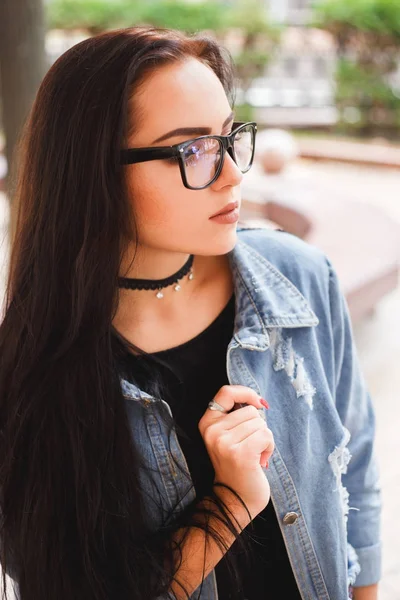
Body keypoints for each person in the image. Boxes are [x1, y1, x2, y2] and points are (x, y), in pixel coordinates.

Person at [0, 26, 381, 600]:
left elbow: (355, 479)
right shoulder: (31, 372)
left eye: (229, 138)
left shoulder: (298, 280)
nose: (232, 174)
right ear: (94, 172)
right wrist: (228, 503)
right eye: (191, 149)